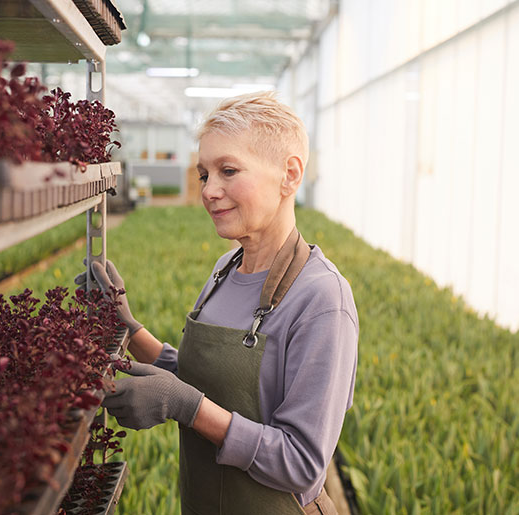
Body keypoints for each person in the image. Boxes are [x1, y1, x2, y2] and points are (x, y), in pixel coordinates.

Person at [81, 92, 358, 514]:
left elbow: (301, 462)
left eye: (228, 170)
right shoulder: (225, 267)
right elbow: (197, 378)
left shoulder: (321, 298)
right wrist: (128, 327)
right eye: (204, 174)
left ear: (290, 175)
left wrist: (187, 408)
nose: (210, 190)